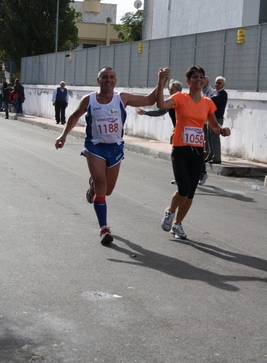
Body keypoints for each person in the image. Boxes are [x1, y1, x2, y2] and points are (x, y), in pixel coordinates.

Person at [55, 67, 160, 245]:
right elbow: (74, 116)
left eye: (111, 77)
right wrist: (63, 135)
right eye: (105, 77)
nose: (108, 80)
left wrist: (161, 81)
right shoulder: (89, 100)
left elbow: (150, 99)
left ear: (116, 80)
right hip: (95, 147)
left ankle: (92, 188)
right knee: (102, 185)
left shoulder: (122, 98)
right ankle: (104, 229)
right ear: (98, 80)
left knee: (107, 190)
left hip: (115, 148)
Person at [156, 65, 231, 240]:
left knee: (191, 193)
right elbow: (161, 104)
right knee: (184, 188)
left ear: (205, 81)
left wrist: (222, 130)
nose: (199, 79)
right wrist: (161, 82)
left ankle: (177, 224)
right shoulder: (180, 98)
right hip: (180, 149)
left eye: (201, 77)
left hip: (197, 151)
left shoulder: (208, 103)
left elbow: (213, 125)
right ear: (188, 81)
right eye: (195, 77)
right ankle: (170, 211)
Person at [205, 76, 228, 164]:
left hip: (217, 118)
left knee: (215, 138)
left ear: (223, 85)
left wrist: (207, 99)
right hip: (210, 117)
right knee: (209, 137)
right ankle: (211, 155)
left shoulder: (223, 94)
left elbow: (213, 100)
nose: (217, 85)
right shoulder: (214, 93)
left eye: (219, 83)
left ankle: (217, 158)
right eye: (216, 83)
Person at [198, 76, 215, 185]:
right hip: (199, 123)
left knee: (202, 148)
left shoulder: (210, 93)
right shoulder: (200, 91)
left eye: (202, 80)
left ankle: (203, 173)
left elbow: (207, 108)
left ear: (207, 82)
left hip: (205, 122)